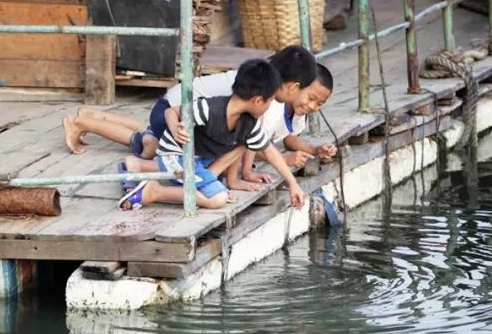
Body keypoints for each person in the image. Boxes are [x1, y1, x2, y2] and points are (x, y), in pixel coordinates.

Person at [63, 45, 317, 159]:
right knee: (148, 146)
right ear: (292, 86)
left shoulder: (258, 79)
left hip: (175, 108)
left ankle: (92, 116)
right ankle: (82, 123)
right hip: (174, 112)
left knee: (150, 132)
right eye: (301, 91)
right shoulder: (256, 94)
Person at [118, 59, 307, 211]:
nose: (269, 107)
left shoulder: (248, 123)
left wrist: (293, 184)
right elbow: (171, 112)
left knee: (244, 143)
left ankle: (137, 165)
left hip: (199, 158)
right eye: (270, 101)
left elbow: (270, 151)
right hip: (177, 154)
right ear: (258, 100)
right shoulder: (209, 108)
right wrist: (175, 128)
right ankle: (155, 191)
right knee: (218, 199)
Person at [229, 64, 336, 191]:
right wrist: (282, 159)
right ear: (297, 87)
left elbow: (290, 138)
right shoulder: (272, 106)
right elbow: (251, 141)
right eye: (311, 98)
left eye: (319, 103)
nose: (312, 106)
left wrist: (316, 150)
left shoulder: (298, 110)